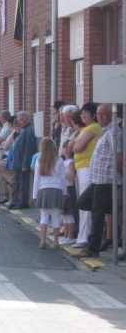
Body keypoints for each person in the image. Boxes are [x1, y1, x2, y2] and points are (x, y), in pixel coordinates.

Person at [72, 104, 123, 258]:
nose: (100, 116)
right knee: (83, 202)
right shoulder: (104, 131)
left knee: (97, 214)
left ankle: (92, 248)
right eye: (98, 114)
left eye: (103, 114)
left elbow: (119, 157)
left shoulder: (114, 132)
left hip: (106, 178)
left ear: (111, 115)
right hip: (97, 178)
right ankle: (115, 210)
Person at [69, 103, 102, 248]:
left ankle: (84, 237)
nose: (83, 115)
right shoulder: (86, 129)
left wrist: (74, 143)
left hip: (87, 169)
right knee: (82, 203)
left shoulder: (93, 128)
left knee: (85, 204)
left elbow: (76, 147)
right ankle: (83, 236)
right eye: (82, 113)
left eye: (86, 113)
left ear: (93, 115)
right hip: (81, 167)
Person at [33, 137, 67, 250]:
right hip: (57, 190)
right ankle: (56, 243)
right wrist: (65, 192)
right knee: (56, 218)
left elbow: (36, 180)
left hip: (43, 190)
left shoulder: (39, 160)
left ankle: (42, 241)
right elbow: (63, 179)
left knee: (44, 217)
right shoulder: (59, 160)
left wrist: (34, 195)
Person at [8, 111, 37, 209]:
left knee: (23, 183)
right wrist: (16, 133)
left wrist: (25, 164)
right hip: (18, 162)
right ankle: (15, 201)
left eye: (20, 120)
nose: (18, 122)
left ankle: (22, 202)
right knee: (16, 182)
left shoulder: (30, 130)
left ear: (25, 119)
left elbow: (29, 149)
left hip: (22, 163)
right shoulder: (23, 130)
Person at [60, 140, 78, 245]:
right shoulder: (64, 162)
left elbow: (72, 177)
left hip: (69, 188)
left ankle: (70, 236)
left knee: (69, 214)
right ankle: (66, 235)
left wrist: (63, 174)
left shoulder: (70, 162)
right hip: (64, 188)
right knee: (65, 214)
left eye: (67, 148)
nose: (65, 150)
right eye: (64, 148)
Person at [0, 110, 12, 204]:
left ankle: (4, 194)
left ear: (2, 118)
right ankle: (3, 194)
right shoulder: (5, 127)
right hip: (1, 151)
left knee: (1, 172)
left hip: (3, 152)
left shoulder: (7, 128)